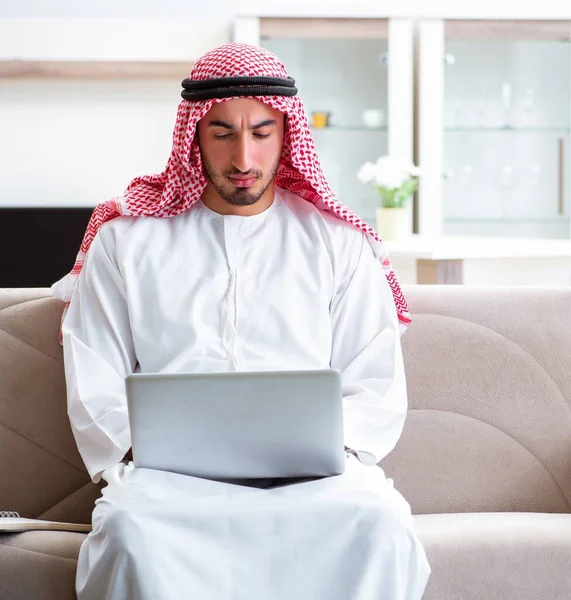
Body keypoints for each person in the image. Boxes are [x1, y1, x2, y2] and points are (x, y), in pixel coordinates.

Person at [52, 42, 430, 600]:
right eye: (223, 133)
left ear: (287, 133)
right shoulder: (125, 242)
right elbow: (94, 373)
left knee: (382, 524)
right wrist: (141, 449)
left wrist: (326, 447)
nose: (243, 159)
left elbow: (373, 381)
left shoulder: (340, 244)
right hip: (169, 484)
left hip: (315, 482)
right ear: (194, 137)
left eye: (262, 131)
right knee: (130, 532)